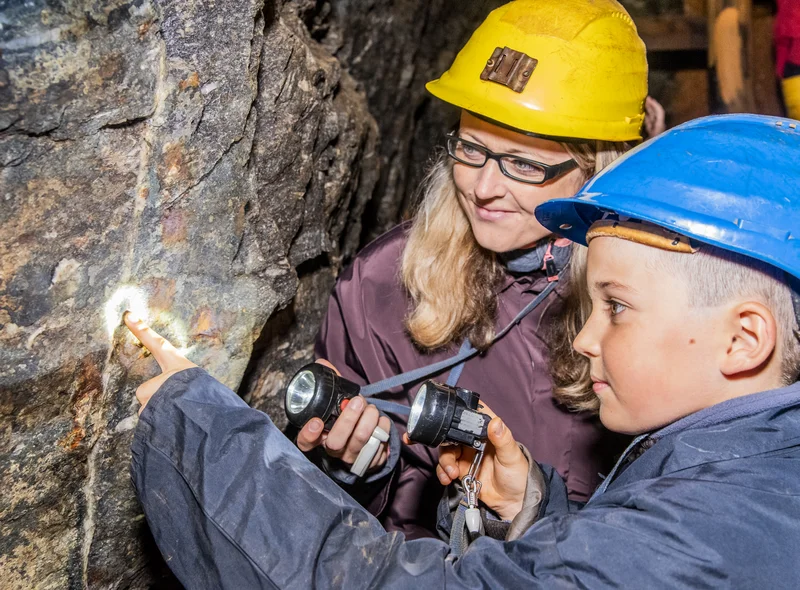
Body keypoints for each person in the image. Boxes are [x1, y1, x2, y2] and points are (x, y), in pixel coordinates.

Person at [127, 114, 800, 587]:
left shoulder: (715, 526)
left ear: (745, 339)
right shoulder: (740, 471)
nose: (588, 337)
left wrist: (201, 433)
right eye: (470, 150)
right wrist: (532, 512)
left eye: (616, 309)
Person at [298, 0, 655, 538]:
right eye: (471, 149)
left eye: (524, 163)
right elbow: (346, 525)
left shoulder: (661, 301)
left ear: (597, 166)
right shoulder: (382, 285)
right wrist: (354, 466)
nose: (484, 188)